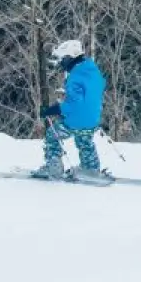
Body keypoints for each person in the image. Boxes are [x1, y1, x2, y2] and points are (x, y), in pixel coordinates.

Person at [34, 39, 107, 181]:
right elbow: (97, 90)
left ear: (69, 58)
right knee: (84, 140)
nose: (61, 63)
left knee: (52, 134)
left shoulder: (75, 77)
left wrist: (53, 110)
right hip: (93, 118)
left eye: (62, 59)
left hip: (76, 120)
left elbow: (74, 105)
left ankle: (53, 167)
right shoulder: (93, 70)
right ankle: (90, 168)